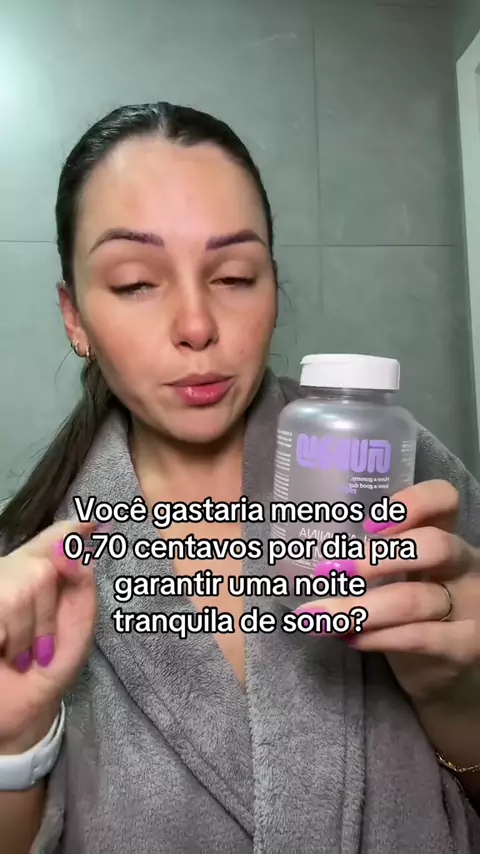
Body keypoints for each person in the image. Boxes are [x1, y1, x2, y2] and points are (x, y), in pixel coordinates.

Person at [0, 102, 479, 854]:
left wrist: (458, 700)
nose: (197, 325)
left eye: (234, 275)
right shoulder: (25, 571)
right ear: (75, 317)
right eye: (135, 283)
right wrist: (14, 743)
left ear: (273, 288)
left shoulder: (398, 469)